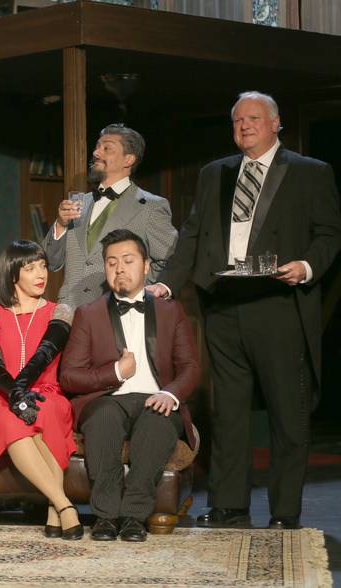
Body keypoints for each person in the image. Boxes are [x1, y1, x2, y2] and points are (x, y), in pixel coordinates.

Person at [148, 91, 341, 530]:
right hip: (224, 306)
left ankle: (284, 512)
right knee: (228, 413)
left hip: (279, 306)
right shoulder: (215, 173)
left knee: (286, 414)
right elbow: (192, 235)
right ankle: (229, 505)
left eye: (254, 118)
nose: (244, 126)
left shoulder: (312, 173)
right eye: (237, 120)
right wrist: (167, 281)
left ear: (276, 124)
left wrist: (307, 266)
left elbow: (329, 234)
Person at [59, 229, 200, 541]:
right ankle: (106, 517)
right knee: (105, 419)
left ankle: (134, 516)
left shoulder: (170, 311)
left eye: (127, 260)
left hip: (156, 397)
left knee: (155, 422)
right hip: (107, 398)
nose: (119, 268)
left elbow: (190, 367)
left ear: (146, 266)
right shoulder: (89, 314)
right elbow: (68, 375)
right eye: (111, 262)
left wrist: (170, 393)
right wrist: (115, 372)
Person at [0, 240, 82, 540]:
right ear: (13, 274)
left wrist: (24, 391)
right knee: (9, 418)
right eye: (31, 268)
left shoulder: (61, 310)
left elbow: (44, 355)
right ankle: (64, 506)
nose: (42, 274)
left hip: (45, 389)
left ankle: (56, 509)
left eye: (43, 266)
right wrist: (15, 394)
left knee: (48, 408)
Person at [42, 123, 177, 309]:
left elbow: (169, 258)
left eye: (107, 148)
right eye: (97, 147)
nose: (97, 153)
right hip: (71, 311)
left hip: (117, 312)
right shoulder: (79, 202)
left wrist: (136, 290)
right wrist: (60, 225)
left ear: (128, 159)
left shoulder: (151, 206)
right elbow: (50, 261)